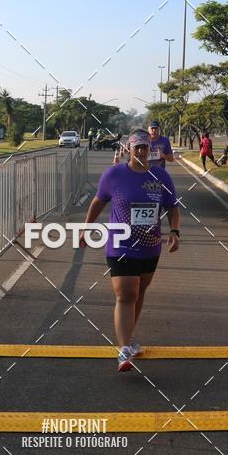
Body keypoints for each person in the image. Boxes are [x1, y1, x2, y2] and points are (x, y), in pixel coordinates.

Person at [80, 129, 181, 372]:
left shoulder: (160, 177)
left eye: (145, 147)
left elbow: (172, 207)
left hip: (149, 246)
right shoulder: (114, 174)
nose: (141, 151)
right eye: (137, 147)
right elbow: (98, 201)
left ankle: (129, 338)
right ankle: (124, 349)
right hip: (120, 245)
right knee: (125, 294)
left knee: (139, 292)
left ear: (151, 150)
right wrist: (85, 228)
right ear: (129, 149)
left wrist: (174, 231)